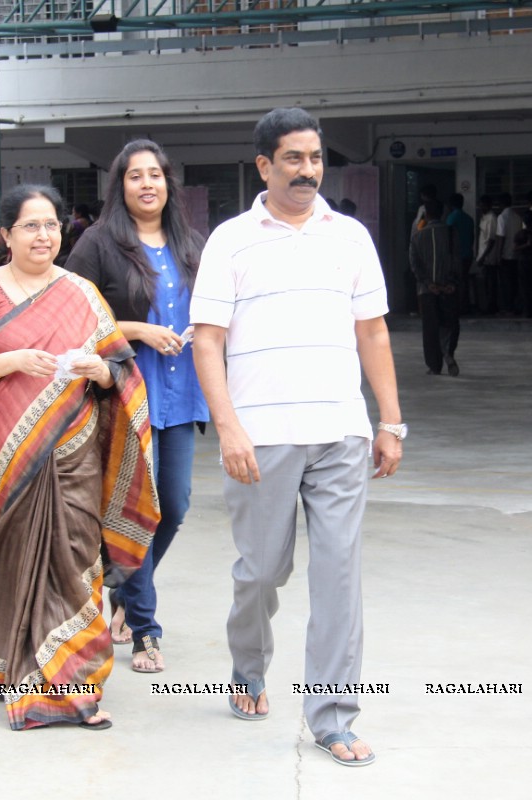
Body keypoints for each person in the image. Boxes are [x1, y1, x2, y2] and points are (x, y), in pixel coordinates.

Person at [191, 107, 403, 768]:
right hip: (262, 438)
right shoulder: (230, 240)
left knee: (339, 574)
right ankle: (248, 666)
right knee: (263, 571)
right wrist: (228, 429)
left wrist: (389, 420)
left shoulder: (350, 238)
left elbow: (373, 332)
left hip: (339, 431)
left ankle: (333, 714)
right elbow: (207, 341)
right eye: (294, 159)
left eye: (315, 158)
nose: (308, 170)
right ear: (264, 165)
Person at [0, 184, 159, 731]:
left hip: (73, 452)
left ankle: (73, 686)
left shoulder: (83, 293)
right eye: (31, 226)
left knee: (72, 561)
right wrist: (12, 359)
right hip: (1, 456)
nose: (44, 236)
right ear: (7, 234)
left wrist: (100, 372)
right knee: (10, 563)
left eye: (52, 225)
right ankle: (8, 666)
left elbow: (119, 372)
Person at [67, 139, 208, 672]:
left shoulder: (191, 243)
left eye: (156, 174)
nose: (147, 184)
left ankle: (123, 591)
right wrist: (138, 329)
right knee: (136, 511)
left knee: (173, 505)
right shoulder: (98, 243)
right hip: (125, 394)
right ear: (119, 186)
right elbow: (73, 315)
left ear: (169, 183)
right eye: (135, 176)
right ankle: (147, 630)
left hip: (181, 391)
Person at [408, 197, 461, 376]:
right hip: (449, 288)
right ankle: (448, 353)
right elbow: (457, 259)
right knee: (450, 323)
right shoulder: (451, 233)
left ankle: (434, 365)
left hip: (427, 290)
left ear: (426, 214)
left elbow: (415, 264)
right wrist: (451, 282)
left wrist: (429, 283)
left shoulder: (417, 236)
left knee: (430, 328)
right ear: (443, 214)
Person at [445, 192, 475, 314]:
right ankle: (465, 305)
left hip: (456, 255)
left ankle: (458, 307)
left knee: (456, 282)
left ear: (451, 204)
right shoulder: (469, 218)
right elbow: (472, 237)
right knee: (464, 280)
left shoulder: (452, 217)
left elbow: (448, 236)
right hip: (468, 253)